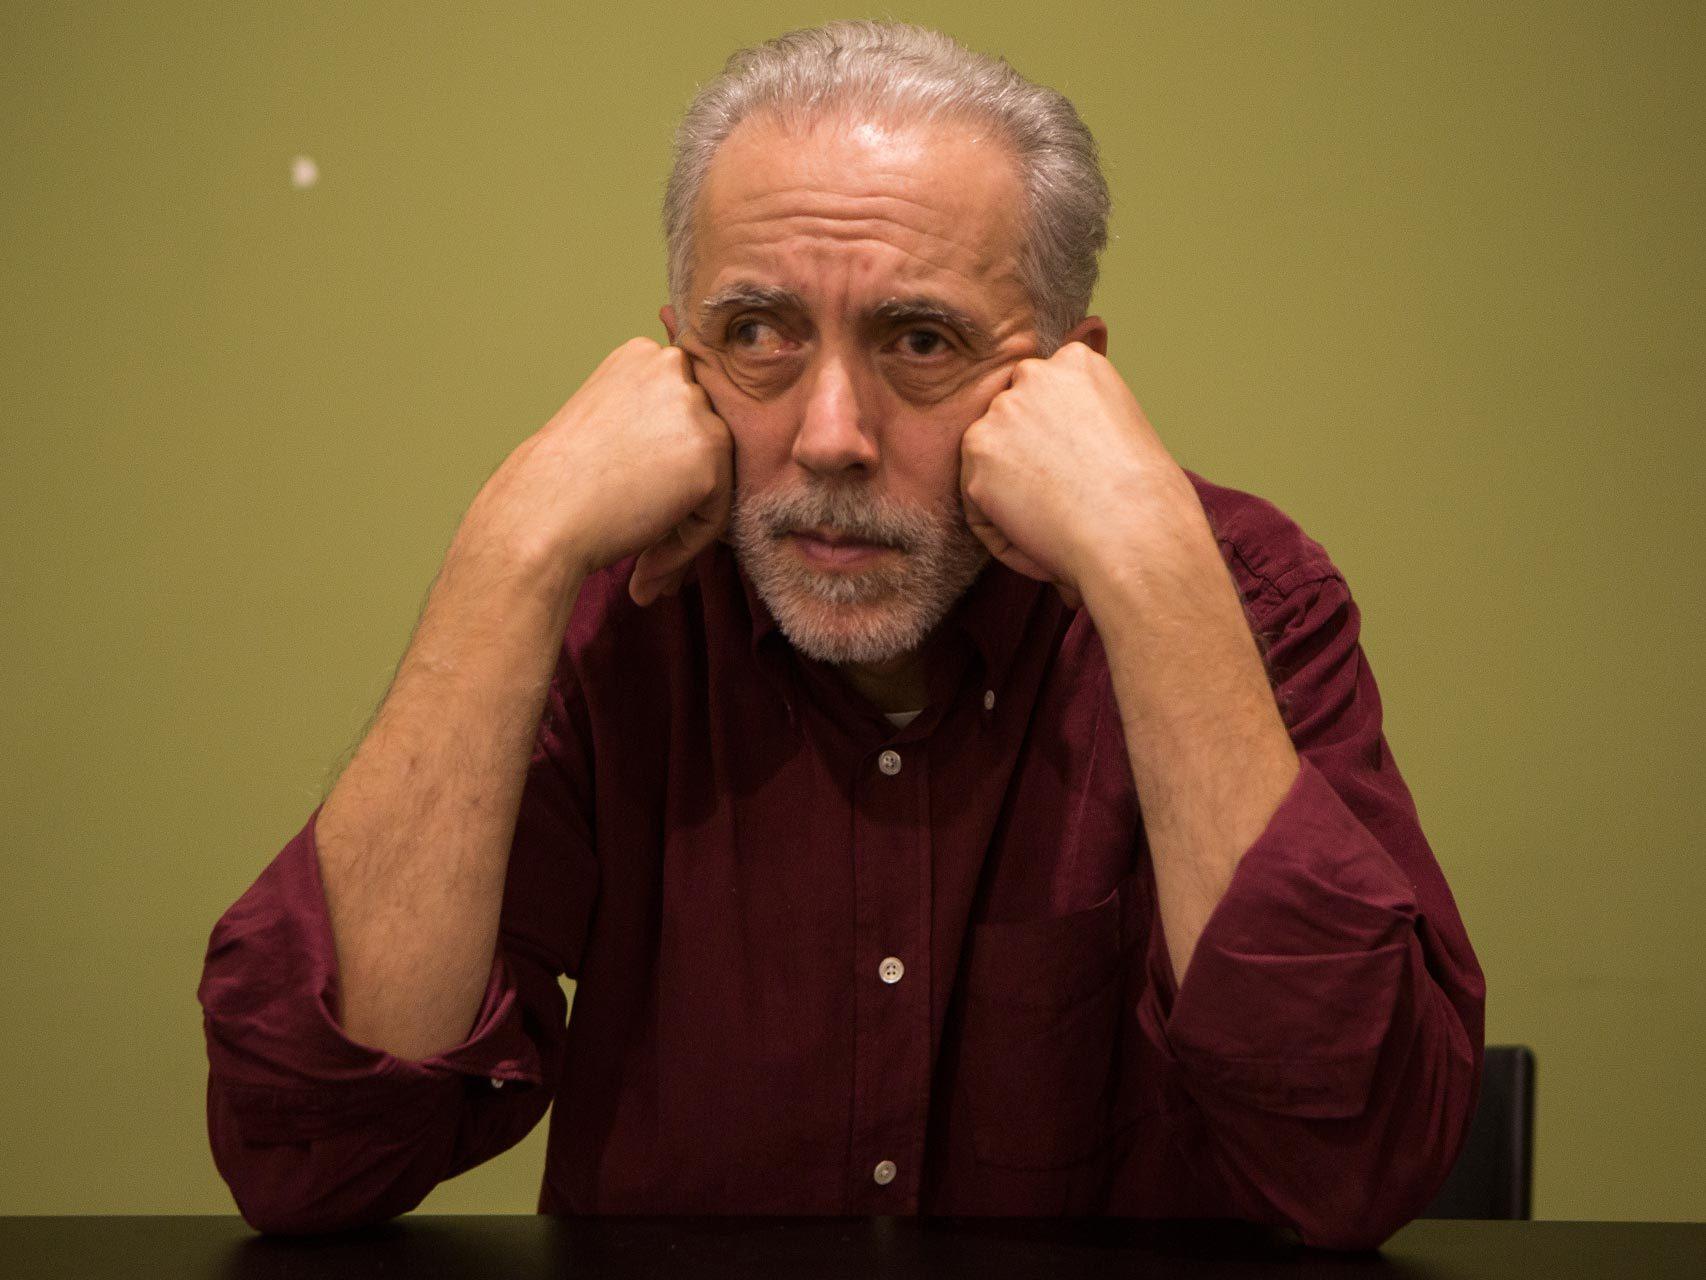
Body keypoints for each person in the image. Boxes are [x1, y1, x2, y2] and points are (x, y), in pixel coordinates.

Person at [197, 20, 1484, 1250]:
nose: (827, 435)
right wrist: (510, 546)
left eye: (918, 340)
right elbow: (310, 1145)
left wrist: (1150, 568)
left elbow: (1355, 1160)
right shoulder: (620, 607)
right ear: (676, 361)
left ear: (1066, 377)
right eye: (754, 333)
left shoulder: (1240, 596)